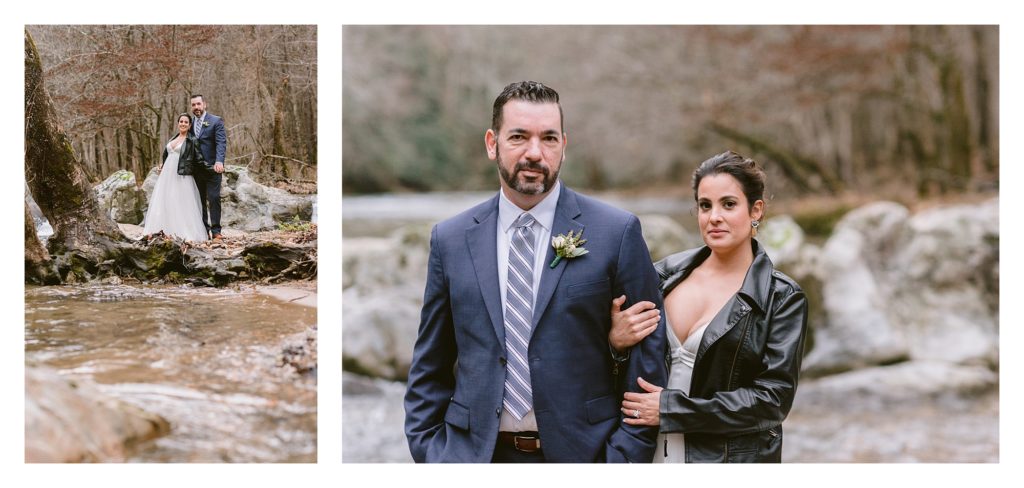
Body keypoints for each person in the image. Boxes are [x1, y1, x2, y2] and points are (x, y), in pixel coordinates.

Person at [404, 81, 667, 463]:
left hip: (585, 456)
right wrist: (431, 451)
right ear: (492, 143)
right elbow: (431, 362)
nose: (534, 153)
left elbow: (648, 361)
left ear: (564, 143)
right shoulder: (451, 239)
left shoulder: (617, 232)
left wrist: (621, 460)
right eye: (518, 137)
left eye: (548, 138)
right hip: (474, 457)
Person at [610, 151, 809, 463]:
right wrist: (616, 344)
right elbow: (615, 370)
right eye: (705, 205)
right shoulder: (662, 276)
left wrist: (669, 409)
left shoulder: (781, 297)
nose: (714, 216)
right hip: (644, 452)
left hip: (726, 459)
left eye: (728, 204)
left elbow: (772, 401)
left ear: (756, 209)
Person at [142, 113, 209, 242]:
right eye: (181, 121)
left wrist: (210, 169)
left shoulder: (192, 140)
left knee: (180, 202)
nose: (183, 124)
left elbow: (199, 160)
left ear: (190, 125)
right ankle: (163, 230)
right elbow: (168, 155)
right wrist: (162, 165)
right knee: (166, 200)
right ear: (178, 123)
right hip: (167, 176)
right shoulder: (173, 138)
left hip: (182, 176)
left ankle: (182, 233)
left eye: (186, 122)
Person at [189, 94, 227, 239]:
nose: (196, 107)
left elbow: (221, 143)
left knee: (214, 198)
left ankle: (216, 231)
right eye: (193, 105)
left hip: (213, 168)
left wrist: (219, 161)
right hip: (196, 170)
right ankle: (204, 230)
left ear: (204, 104)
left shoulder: (216, 121)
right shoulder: (189, 123)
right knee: (199, 201)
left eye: (198, 104)